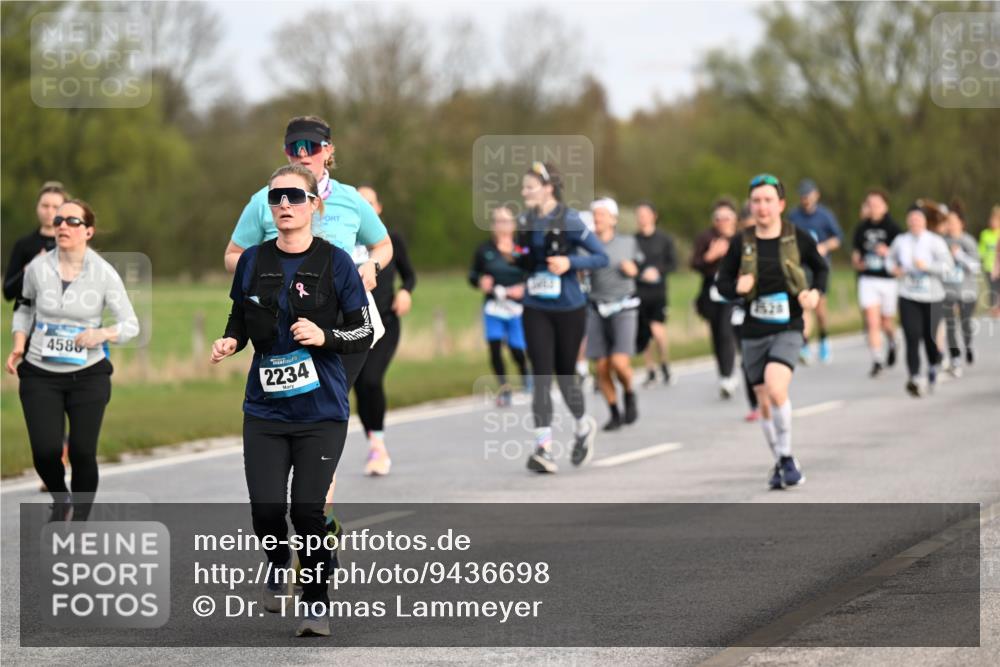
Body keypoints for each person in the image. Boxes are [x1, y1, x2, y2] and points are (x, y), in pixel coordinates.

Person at [211, 164, 373, 637]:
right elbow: (240, 317)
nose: (284, 204)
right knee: (265, 509)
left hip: (321, 410)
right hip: (264, 409)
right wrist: (229, 342)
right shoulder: (252, 261)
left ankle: (316, 602)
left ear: (314, 206)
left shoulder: (335, 262)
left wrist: (325, 336)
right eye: (276, 196)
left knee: (307, 510)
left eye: (294, 197)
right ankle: (279, 560)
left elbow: (362, 329)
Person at [6, 199, 140, 522]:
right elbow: (23, 308)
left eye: (72, 221)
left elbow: (131, 325)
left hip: (88, 375)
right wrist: (19, 344)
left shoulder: (104, 274)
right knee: (45, 452)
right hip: (40, 372)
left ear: (88, 231)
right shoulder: (37, 268)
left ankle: (78, 520)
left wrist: (102, 334)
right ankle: (60, 498)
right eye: (59, 220)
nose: (62, 225)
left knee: (81, 453)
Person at [716, 174, 827, 490]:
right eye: (756, 201)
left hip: (788, 326)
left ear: (780, 204)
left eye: (768, 200)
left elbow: (821, 269)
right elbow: (721, 284)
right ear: (750, 206)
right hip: (752, 330)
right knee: (764, 401)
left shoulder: (797, 237)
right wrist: (736, 288)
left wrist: (815, 293)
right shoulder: (742, 242)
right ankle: (780, 460)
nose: (762, 207)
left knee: (777, 390)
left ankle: (788, 458)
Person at [514, 161, 608, 473]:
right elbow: (522, 257)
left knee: (565, 374)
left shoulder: (569, 219)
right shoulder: (525, 220)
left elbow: (600, 256)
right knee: (541, 374)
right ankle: (544, 448)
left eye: (530, 186)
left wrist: (569, 262)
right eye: (524, 186)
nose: (524, 191)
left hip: (569, 307)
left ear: (547, 188)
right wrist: (514, 256)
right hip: (535, 305)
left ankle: (583, 427)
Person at [354, 185, 415, 476]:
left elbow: (410, 275)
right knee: (358, 385)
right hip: (352, 327)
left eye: (370, 203)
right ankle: (373, 442)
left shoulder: (392, 240)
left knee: (371, 379)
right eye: (359, 203)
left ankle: (378, 445)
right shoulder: (343, 240)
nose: (365, 208)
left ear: (378, 208)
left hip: (386, 323)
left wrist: (405, 292)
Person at [885, 202, 954, 398]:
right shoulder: (901, 241)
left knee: (930, 338)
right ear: (907, 221)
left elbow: (947, 265)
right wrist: (894, 269)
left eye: (918, 218)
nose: (914, 221)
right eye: (911, 218)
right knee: (911, 336)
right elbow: (889, 260)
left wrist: (927, 267)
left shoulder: (934, 241)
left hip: (932, 296)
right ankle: (914, 377)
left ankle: (933, 365)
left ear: (925, 221)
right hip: (908, 295)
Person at [585, 198, 642, 431]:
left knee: (619, 362)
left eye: (602, 215)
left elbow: (637, 267)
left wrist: (632, 270)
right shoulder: (586, 246)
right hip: (596, 307)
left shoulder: (627, 242)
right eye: (595, 215)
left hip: (623, 306)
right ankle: (614, 412)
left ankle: (629, 392)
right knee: (601, 367)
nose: (598, 219)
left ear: (613, 219)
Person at [469, 206, 530, 407]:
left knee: (516, 349)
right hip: (494, 306)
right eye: (497, 222)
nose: (501, 226)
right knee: (495, 348)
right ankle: (504, 389)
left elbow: (533, 272)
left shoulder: (522, 248)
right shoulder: (484, 250)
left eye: (505, 221)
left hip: (516, 307)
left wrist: (523, 288)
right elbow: (472, 275)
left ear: (513, 225)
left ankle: (525, 373)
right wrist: (480, 281)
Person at [788, 179, 842, 364]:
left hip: (820, 267)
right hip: (801, 269)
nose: (806, 200)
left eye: (809, 196)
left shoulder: (825, 216)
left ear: (816, 195)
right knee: (804, 305)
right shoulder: (794, 217)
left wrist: (824, 247)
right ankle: (804, 345)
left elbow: (837, 238)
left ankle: (824, 340)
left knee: (820, 309)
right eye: (803, 196)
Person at [851, 188, 902, 378]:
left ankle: (893, 340)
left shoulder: (893, 228)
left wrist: (887, 252)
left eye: (877, 204)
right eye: (870, 205)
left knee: (886, 322)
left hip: (888, 280)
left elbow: (902, 257)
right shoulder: (861, 228)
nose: (873, 208)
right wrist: (858, 262)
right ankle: (877, 360)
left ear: (885, 206)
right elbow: (856, 254)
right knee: (872, 322)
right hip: (868, 279)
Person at [691, 198, 740, 398]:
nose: (723, 222)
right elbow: (694, 263)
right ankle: (724, 374)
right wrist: (710, 256)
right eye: (719, 218)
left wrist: (731, 253)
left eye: (727, 218)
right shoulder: (705, 237)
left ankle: (729, 375)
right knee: (717, 334)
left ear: (734, 219)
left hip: (735, 291)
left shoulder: (740, 237)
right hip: (711, 291)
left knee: (726, 331)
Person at [633, 201, 677, 386]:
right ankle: (650, 369)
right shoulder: (633, 241)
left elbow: (672, 263)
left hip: (658, 292)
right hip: (638, 291)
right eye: (639, 215)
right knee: (643, 332)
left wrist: (657, 271)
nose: (642, 218)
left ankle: (665, 363)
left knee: (658, 331)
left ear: (654, 216)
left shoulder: (664, 239)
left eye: (645, 214)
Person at [940, 202, 980, 376]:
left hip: (967, 290)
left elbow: (976, 267)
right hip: (947, 290)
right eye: (947, 221)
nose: (950, 225)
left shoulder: (968, 241)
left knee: (965, 323)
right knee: (949, 324)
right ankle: (955, 357)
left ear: (961, 223)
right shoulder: (941, 241)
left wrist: (959, 255)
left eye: (953, 221)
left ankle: (968, 345)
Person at [979, 204, 1000, 318]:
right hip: (989, 266)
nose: (993, 223)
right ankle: (994, 307)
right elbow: (981, 250)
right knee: (993, 288)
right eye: (992, 220)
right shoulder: (985, 234)